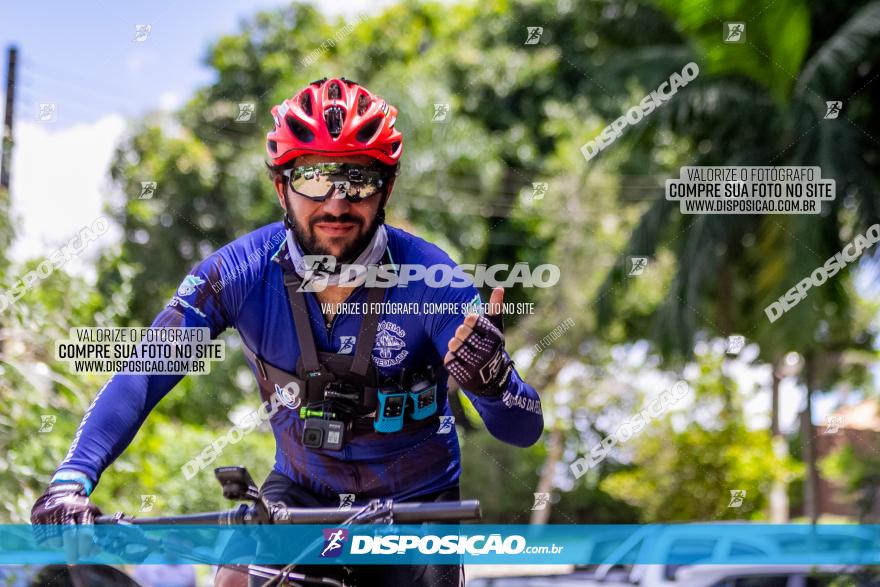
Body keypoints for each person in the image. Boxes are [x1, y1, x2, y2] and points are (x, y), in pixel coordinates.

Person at [30, 77, 544, 586]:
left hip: (416, 508)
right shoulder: (238, 272)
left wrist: (492, 383)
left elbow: (522, 429)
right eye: (315, 178)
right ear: (282, 186)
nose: (337, 204)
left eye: (358, 181)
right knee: (232, 580)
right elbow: (144, 373)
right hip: (301, 495)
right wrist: (71, 481)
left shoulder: (437, 282)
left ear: (385, 188)